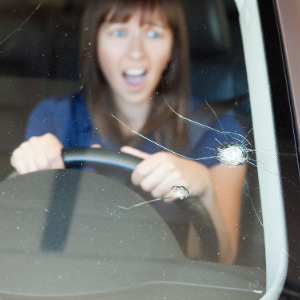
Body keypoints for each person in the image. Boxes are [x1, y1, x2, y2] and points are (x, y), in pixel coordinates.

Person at [10, 0, 246, 264]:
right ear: (95, 42)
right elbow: (28, 246)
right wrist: (32, 168)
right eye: (119, 32)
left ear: (172, 47)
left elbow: (221, 262)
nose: (136, 52)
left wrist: (206, 190)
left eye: (154, 33)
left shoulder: (220, 132)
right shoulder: (54, 117)